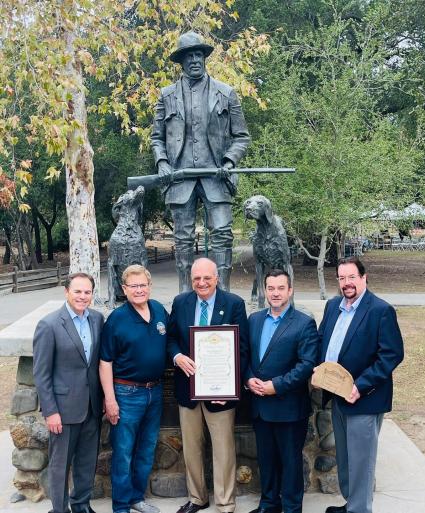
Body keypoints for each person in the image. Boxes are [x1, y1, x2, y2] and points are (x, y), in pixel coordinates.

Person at [151, 31, 250, 292]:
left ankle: (224, 295)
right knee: (182, 239)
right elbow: (157, 138)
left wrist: (229, 162)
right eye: (189, 55)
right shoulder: (166, 95)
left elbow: (242, 137)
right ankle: (184, 294)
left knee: (222, 235)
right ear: (181, 61)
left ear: (204, 58)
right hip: (180, 178)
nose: (195, 60)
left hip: (216, 177)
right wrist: (162, 163)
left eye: (199, 55)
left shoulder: (226, 93)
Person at [316, 256, 404, 513]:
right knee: (344, 459)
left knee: (361, 463)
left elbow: (391, 355)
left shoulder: (380, 310)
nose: (347, 283)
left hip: (364, 399)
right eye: (342, 278)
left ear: (364, 277)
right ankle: (350, 505)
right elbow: (323, 340)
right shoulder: (333, 306)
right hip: (337, 397)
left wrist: (361, 386)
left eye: (352, 277)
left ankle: (360, 509)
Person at [167, 257, 249, 513]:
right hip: (187, 389)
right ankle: (197, 498)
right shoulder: (181, 302)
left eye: (206, 278)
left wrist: (231, 388)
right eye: (196, 279)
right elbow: (171, 339)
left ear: (217, 278)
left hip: (220, 392)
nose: (201, 283)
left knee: (223, 450)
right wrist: (177, 356)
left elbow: (243, 349)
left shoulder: (234, 304)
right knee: (191, 449)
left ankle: (225, 503)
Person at [246, 269, 318, 513]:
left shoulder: (304, 323)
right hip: (259, 406)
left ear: (290, 290)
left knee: (290, 461)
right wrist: (248, 379)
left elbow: (306, 365)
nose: (275, 293)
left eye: (280, 288)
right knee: (266, 460)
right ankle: (268, 504)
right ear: (265, 290)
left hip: (288, 407)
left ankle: (290, 506)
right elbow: (245, 356)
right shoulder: (254, 320)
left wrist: (275, 386)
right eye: (271, 288)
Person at [33, 272, 104, 513]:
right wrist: (50, 411)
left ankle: (81, 504)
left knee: (86, 462)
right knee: (60, 465)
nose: (83, 296)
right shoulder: (49, 324)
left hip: (92, 407)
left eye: (87, 292)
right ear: (66, 292)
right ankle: (60, 509)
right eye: (78, 291)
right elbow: (41, 375)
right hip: (63, 411)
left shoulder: (97, 319)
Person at [99, 265, 168, 513]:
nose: (139, 290)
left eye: (143, 285)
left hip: (155, 392)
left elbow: (169, 343)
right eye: (134, 286)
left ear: (149, 286)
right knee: (124, 453)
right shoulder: (117, 320)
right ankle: (121, 506)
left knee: (146, 449)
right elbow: (105, 362)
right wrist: (110, 399)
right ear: (124, 289)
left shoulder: (159, 310)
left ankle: (137, 498)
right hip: (127, 394)